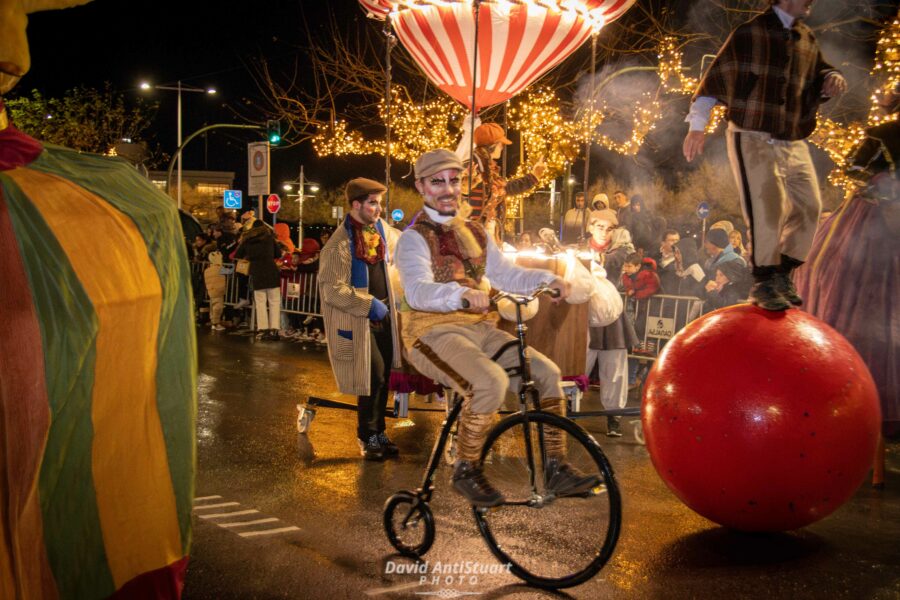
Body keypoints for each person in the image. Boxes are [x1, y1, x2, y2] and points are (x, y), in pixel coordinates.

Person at [395, 148, 593, 507]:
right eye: (437, 182)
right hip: (431, 332)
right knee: (489, 382)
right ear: (422, 187)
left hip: (480, 329)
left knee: (547, 374)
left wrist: (548, 280)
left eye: (454, 181)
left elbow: (506, 274)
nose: (447, 189)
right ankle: (467, 469)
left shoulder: (474, 230)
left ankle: (555, 468)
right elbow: (417, 291)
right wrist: (461, 295)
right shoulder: (413, 237)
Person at [683, 0, 847, 311]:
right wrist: (697, 127)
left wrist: (830, 78)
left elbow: (819, 73)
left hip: (791, 137)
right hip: (752, 133)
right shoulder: (750, 33)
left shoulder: (806, 38)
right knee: (768, 207)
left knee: (811, 205)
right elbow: (715, 80)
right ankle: (763, 280)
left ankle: (782, 271)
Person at [794, 83, 899, 440]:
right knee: (857, 303)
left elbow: (859, 173)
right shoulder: (884, 135)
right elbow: (865, 178)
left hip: (876, 229)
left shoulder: (883, 134)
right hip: (874, 232)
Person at [318, 178, 403, 460]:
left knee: (384, 378)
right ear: (357, 205)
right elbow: (331, 289)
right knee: (372, 376)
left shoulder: (381, 232)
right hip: (359, 319)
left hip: (385, 316)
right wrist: (369, 305)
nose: (379, 209)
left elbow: (407, 246)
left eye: (379, 202)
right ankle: (366, 436)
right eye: (373, 203)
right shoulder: (339, 243)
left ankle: (379, 432)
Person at [461, 122, 546, 241]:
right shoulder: (473, 166)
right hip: (472, 236)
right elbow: (459, 191)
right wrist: (464, 183)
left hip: (486, 231)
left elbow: (507, 188)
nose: (502, 147)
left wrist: (534, 176)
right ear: (492, 145)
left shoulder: (489, 170)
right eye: (501, 144)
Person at [234, 219, 282, 340]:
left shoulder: (248, 240)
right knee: (274, 301)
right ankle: (275, 329)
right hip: (271, 271)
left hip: (257, 272)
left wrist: (249, 255)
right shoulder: (270, 238)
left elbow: (237, 254)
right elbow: (278, 254)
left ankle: (263, 329)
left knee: (260, 302)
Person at [204, 251, 227, 331]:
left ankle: (213, 322)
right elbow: (230, 272)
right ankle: (216, 323)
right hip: (218, 290)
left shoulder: (207, 270)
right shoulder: (220, 268)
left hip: (211, 290)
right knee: (218, 307)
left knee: (213, 306)